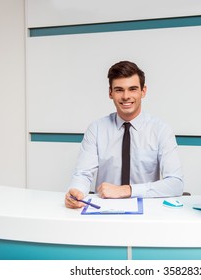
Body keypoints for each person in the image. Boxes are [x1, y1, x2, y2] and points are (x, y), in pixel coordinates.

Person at [65, 61, 183, 209]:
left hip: (147, 211)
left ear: (143, 91)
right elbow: (83, 174)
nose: (126, 96)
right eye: (119, 90)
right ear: (110, 93)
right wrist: (76, 192)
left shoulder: (161, 130)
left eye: (132, 89)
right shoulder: (96, 129)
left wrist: (126, 190)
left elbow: (175, 184)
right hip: (103, 210)